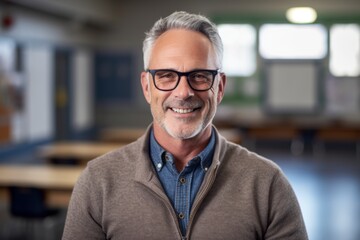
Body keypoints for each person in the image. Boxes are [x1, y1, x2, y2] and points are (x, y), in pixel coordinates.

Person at [62, 11, 308, 240]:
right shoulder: (97, 182)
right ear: (147, 87)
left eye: (199, 75)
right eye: (167, 75)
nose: (183, 92)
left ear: (219, 87)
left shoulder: (268, 184)